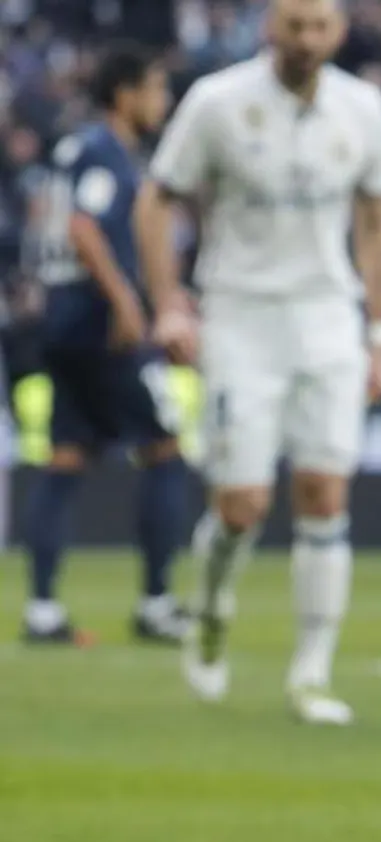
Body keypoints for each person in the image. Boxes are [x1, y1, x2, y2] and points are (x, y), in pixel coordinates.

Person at [134, 0, 381, 725]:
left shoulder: (365, 108)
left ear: (338, 32)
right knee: (242, 504)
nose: (307, 41)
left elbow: (377, 223)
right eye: (294, 27)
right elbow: (155, 201)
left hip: (327, 315)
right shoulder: (217, 103)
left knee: (323, 492)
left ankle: (311, 673)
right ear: (269, 29)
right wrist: (168, 302)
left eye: (319, 28)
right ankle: (213, 609)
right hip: (241, 316)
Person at [20, 41, 190, 647]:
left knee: (65, 457)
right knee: (166, 449)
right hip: (98, 323)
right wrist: (125, 302)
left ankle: (41, 610)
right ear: (126, 95)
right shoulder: (103, 153)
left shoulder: (73, 149)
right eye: (155, 89)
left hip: (61, 320)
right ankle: (157, 603)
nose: (162, 102)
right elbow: (84, 226)